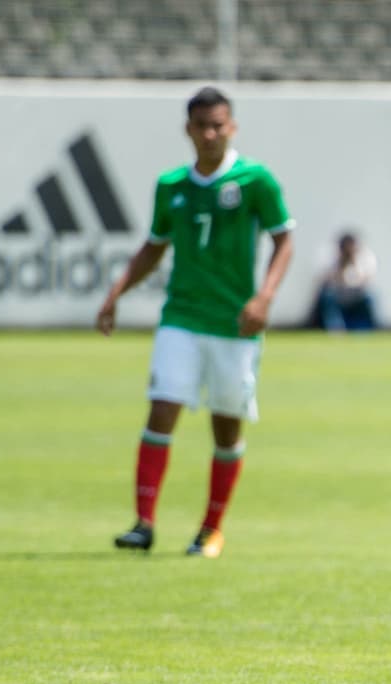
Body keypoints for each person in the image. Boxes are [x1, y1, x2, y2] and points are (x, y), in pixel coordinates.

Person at [96, 86, 294, 558]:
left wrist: (264, 297)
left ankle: (211, 528)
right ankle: (144, 523)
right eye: (202, 126)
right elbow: (155, 244)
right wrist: (116, 292)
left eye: (219, 125)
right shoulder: (171, 186)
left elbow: (284, 239)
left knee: (226, 428)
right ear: (188, 130)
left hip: (234, 325)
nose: (211, 134)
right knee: (162, 409)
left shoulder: (255, 180)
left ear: (232, 127)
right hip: (181, 318)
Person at [316, 231, 379, 331]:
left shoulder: (365, 256)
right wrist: (341, 265)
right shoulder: (332, 256)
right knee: (327, 297)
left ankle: (373, 328)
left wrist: (354, 264)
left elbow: (367, 279)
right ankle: (336, 330)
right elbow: (325, 279)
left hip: (358, 296)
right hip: (338, 295)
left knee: (370, 297)